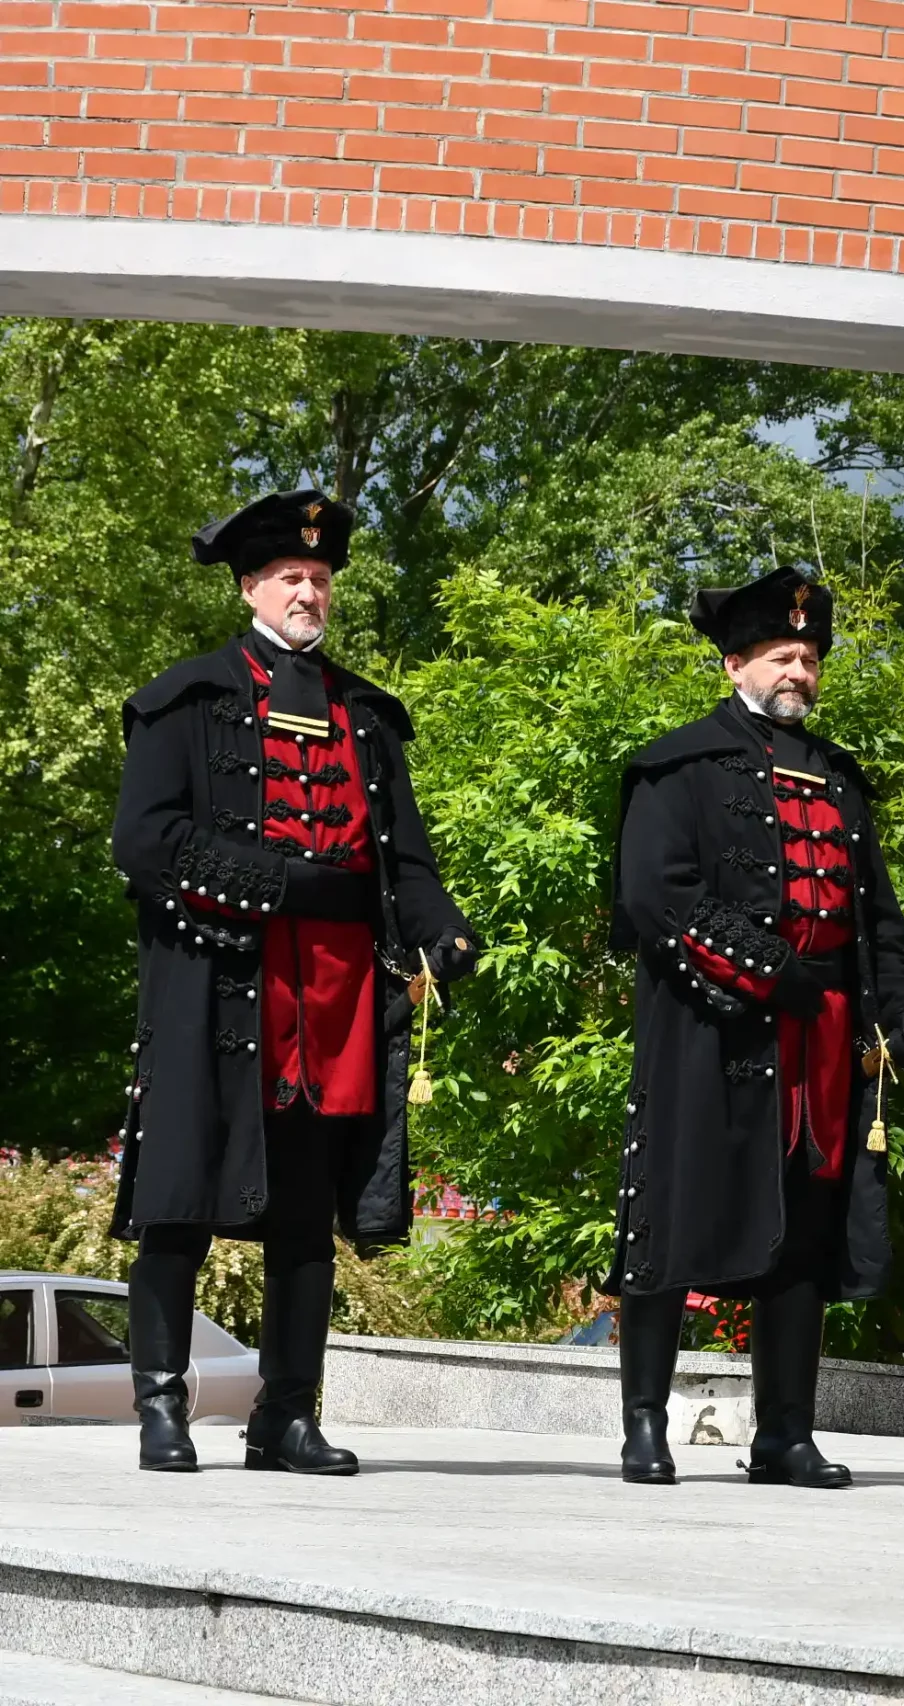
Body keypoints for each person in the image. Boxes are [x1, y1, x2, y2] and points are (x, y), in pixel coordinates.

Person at [111, 489, 479, 1476]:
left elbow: (409, 863)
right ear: (250, 588)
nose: (308, 590)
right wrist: (277, 881)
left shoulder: (367, 717)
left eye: (319, 578)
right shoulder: (185, 701)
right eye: (289, 577)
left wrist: (443, 932)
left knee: (305, 1220)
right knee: (177, 1208)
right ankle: (161, 1408)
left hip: (334, 1002)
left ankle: (286, 1416)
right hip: (214, 990)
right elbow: (142, 842)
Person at [607, 565, 904, 1489]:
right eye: (782, 654)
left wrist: (903, 1006)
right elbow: (655, 898)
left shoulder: (840, 778)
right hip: (710, 1034)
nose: (800, 670)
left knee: (806, 1226)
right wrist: (766, 972)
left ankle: (784, 1434)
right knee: (674, 1221)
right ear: (734, 662)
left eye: (811, 657)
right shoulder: (677, 766)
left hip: (823, 1038)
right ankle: (644, 1428)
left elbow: (878, 917)